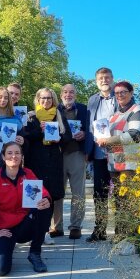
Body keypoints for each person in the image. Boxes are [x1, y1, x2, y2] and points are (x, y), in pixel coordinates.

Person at [0, 142, 52, 275]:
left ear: (22, 156)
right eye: (9, 153)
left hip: (24, 225)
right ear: (3, 157)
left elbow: (42, 192)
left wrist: (46, 199)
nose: (14, 156)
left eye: (17, 153)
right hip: (4, 229)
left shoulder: (28, 173)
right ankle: (0, 246)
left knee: (43, 207)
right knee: (0, 270)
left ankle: (35, 253)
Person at [95, 81, 140, 245]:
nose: (120, 95)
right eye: (117, 93)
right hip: (115, 164)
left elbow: (135, 135)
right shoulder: (115, 115)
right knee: (118, 200)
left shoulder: (137, 110)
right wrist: (100, 138)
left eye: (123, 92)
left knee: (129, 201)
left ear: (131, 93)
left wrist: (108, 140)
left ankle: (131, 239)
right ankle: (120, 235)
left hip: (131, 164)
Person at [24, 88, 72, 245]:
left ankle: (44, 231)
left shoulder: (58, 115)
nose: (46, 101)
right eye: (43, 98)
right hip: (35, 162)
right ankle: (34, 231)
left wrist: (59, 138)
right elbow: (25, 136)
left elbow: (68, 136)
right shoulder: (31, 116)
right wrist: (40, 130)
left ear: (53, 100)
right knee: (35, 196)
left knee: (50, 196)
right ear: (37, 99)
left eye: (49, 98)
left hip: (53, 162)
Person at [53, 84, 91, 240]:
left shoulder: (83, 109)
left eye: (72, 92)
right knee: (57, 192)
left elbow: (91, 128)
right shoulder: (53, 109)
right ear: (61, 94)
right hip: (58, 154)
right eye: (65, 92)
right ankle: (56, 226)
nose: (68, 94)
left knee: (78, 192)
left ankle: (76, 226)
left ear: (76, 94)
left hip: (77, 154)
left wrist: (84, 134)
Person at [86, 67, 118, 242]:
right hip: (98, 155)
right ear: (96, 81)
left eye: (107, 77)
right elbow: (88, 126)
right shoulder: (92, 100)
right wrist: (87, 151)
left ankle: (121, 232)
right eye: (100, 78)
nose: (104, 80)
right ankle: (99, 230)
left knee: (121, 193)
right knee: (99, 193)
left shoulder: (120, 96)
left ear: (112, 79)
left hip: (118, 153)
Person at [0, 87, 26, 169]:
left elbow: (24, 139)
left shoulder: (16, 119)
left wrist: (22, 140)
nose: (3, 100)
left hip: (12, 159)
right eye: (0, 97)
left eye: (6, 98)